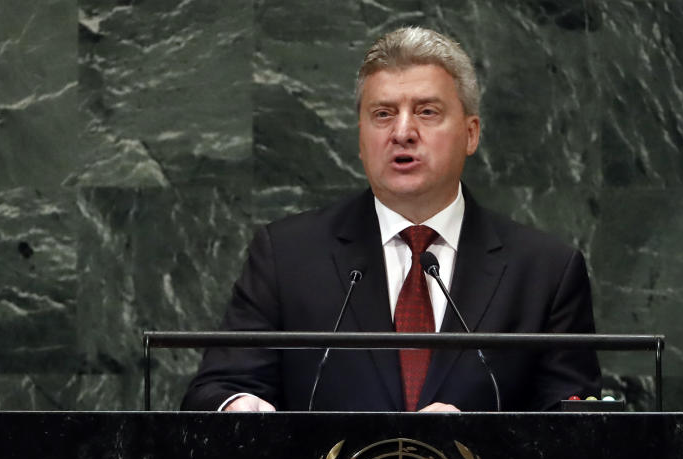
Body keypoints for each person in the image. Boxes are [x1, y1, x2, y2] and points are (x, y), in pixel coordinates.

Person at [181, 26, 600, 412]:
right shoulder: (286, 256)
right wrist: (237, 407)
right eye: (383, 114)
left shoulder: (545, 271)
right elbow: (215, 388)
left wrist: (480, 443)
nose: (402, 131)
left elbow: (574, 426)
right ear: (361, 138)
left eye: (427, 112)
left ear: (471, 133)